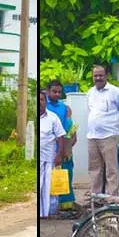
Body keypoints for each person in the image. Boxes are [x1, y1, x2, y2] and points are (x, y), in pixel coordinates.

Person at [86, 65, 119, 197]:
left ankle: (112, 200)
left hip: (109, 136)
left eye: (101, 75)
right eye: (95, 76)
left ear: (106, 76)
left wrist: (113, 122)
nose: (98, 78)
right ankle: (96, 199)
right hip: (92, 136)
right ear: (93, 77)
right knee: (94, 170)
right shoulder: (90, 92)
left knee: (111, 170)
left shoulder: (115, 92)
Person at [46, 80, 78, 214]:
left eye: (59, 92)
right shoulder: (44, 105)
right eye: (54, 91)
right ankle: (49, 206)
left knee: (66, 174)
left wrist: (69, 145)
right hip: (49, 146)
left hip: (65, 144)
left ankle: (66, 205)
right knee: (50, 176)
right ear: (48, 91)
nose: (57, 94)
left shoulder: (64, 107)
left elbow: (69, 127)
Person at [40, 90, 67, 218]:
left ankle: (49, 213)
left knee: (50, 187)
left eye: (42, 100)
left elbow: (61, 136)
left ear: (46, 102)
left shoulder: (52, 117)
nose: (40, 102)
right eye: (38, 100)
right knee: (39, 187)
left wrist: (59, 155)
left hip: (50, 158)